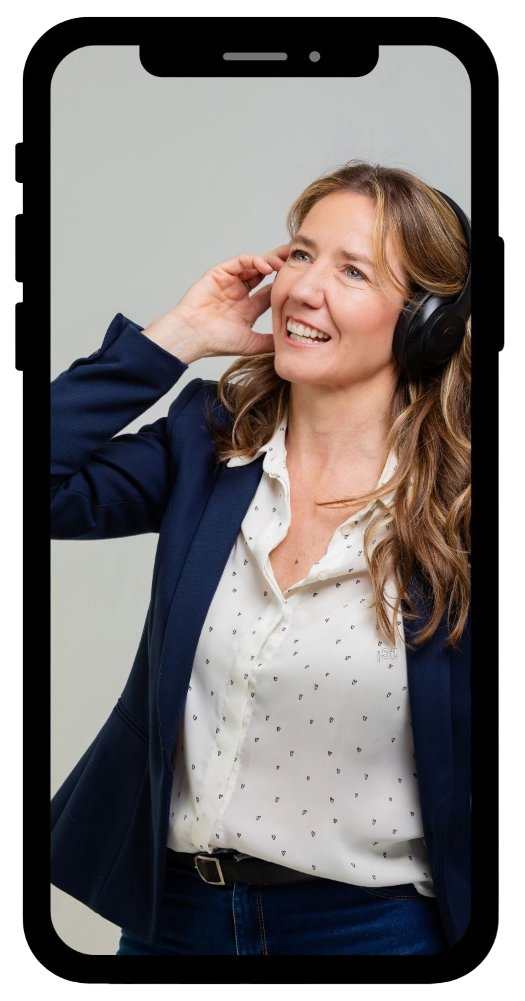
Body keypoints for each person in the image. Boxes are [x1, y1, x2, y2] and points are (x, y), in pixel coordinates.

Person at [50, 159, 471, 956]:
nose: (303, 288)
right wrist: (175, 339)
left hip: (374, 932)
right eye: (301, 254)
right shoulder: (207, 442)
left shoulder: (460, 503)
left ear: (425, 321)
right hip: (172, 918)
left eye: (351, 270)